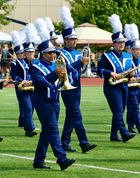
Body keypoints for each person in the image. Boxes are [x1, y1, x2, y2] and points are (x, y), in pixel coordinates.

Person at [30, 18, 76, 170]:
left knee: (47, 131)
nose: (53, 55)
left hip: (55, 100)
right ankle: (61, 159)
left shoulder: (56, 63)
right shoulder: (35, 66)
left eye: (54, 52)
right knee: (54, 130)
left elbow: (68, 69)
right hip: (43, 101)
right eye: (49, 53)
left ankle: (38, 160)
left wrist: (81, 62)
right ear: (42, 54)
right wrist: (54, 74)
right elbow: (38, 83)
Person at [59, 6, 97, 153]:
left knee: (70, 115)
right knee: (76, 114)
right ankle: (84, 142)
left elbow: (81, 69)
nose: (75, 41)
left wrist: (89, 61)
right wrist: (80, 62)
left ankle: (65, 141)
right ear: (66, 40)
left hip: (77, 84)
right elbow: (64, 69)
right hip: (66, 86)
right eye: (72, 39)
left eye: (75, 38)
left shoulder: (78, 53)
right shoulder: (59, 53)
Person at [97, 14, 136, 142]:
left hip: (124, 85)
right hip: (111, 87)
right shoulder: (106, 56)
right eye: (119, 42)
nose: (121, 44)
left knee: (120, 110)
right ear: (113, 43)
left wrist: (131, 75)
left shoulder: (128, 56)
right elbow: (99, 70)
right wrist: (110, 73)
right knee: (118, 110)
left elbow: (130, 70)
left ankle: (114, 135)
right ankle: (124, 133)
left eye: (123, 42)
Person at [126, 24, 140, 134]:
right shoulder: (128, 61)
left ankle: (130, 126)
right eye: (136, 49)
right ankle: (139, 125)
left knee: (134, 107)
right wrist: (129, 75)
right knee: (134, 106)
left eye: (139, 49)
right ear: (132, 50)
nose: (138, 52)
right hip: (130, 87)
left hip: (139, 86)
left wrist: (139, 78)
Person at [10, 30, 25, 127]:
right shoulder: (14, 63)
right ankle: (23, 121)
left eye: (24, 53)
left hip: (28, 84)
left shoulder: (27, 62)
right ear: (18, 54)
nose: (23, 54)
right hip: (19, 84)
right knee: (22, 103)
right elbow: (13, 75)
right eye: (21, 53)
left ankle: (23, 120)